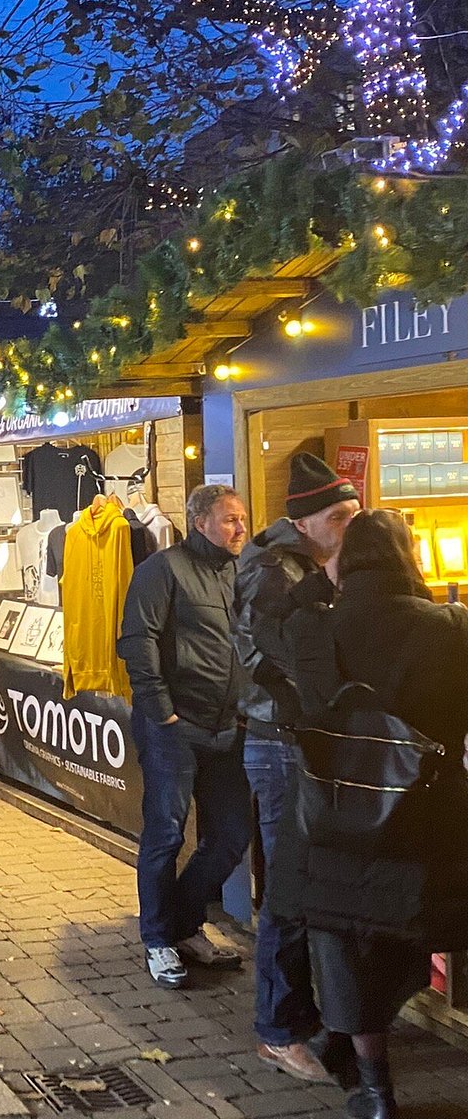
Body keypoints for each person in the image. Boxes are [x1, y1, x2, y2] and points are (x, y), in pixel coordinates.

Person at [281, 510, 468, 1119]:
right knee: (424, 931)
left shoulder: (315, 630)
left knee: (346, 951)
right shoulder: (450, 627)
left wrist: (315, 587)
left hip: (336, 821)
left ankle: (378, 1093)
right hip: (428, 819)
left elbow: (272, 657)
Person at [232, 454, 360, 1082]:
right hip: (282, 743)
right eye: (339, 516)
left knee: (313, 883)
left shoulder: (308, 565)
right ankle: (279, 1028)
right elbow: (272, 657)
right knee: (288, 885)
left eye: (354, 515)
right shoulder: (273, 572)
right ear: (305, 523)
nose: (349, 526)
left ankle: (320, 1018)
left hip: (303, 739)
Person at [117, 483, 251, 989]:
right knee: (166, 834)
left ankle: (183, 924)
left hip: (228, 728)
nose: (240, 528)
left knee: (231, 836)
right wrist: (162, 712)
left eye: (242, 519)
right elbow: (138, 639)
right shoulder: (163, 569)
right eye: (230, 519)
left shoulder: (241, 572)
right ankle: (158, 939)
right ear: (200, 522)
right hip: (174, 727)